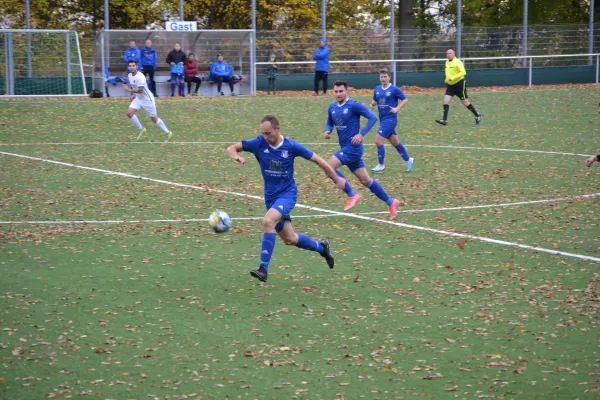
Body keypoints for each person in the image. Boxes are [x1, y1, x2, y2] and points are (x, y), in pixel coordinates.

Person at [226, 115, 346, 283]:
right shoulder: (258, 143)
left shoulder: (290, 146)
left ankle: (263, 268)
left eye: (268, 133)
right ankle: (322, 247)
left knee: (268, 221)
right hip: (270, 198)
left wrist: (337, 179)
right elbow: (231, 148)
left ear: (277, 129)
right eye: (263, 133)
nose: (265, 137)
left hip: (287, 195)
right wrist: (236, 157)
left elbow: (318, 160)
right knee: (290, 239)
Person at [324, 80, 400, 219]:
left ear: (346, 91)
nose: (338, 94)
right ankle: (391, 202)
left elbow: (373, 117)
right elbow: (330, 121)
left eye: (341, 91)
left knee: (328, 168)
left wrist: (361, 134)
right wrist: (328, 130)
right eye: (336, 91)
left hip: (353, 148)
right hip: (346, 148)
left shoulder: (354, 105)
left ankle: (352, 194)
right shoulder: (332, 107)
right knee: (366, 181)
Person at [370, 68, 413, 173]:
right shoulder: (377, 89)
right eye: (381, 77)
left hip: (391, 120)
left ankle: (381, 164)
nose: (383, 79)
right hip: (383, 119)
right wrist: (372, 105)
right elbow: (374, 101)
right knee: (395, 142)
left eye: (385, 76)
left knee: (378, 140)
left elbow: (405, 99)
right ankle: (408, 160)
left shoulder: (394, 89)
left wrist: (397, 108)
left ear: (389, 77)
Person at [123, 60, 173, 142]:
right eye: (130, 66)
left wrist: (129, 90)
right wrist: (133, 95)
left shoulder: (140, 76)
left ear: (137, 66)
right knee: (129, 113)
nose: (132, 67)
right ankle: (141, 129)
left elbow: (141, 90)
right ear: (128, 67)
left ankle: (168, 132)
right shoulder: (129, 75)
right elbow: (136, 87)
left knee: (154, 119)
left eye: (133, 65)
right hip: (138, 99)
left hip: (147, 100)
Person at [435, 48, 481, 126]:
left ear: (454, 54)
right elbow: (448, 73)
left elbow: (463, 72)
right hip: (450, 86)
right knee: (446, 101)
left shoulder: (458, 62)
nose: (448, 55)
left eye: (450, 53)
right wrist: (446, 79)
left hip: (459, 85)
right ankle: (444, 120)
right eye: (447, 53)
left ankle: (477, 115)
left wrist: (453, 78)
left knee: (465, 102)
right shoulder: (446, 62)